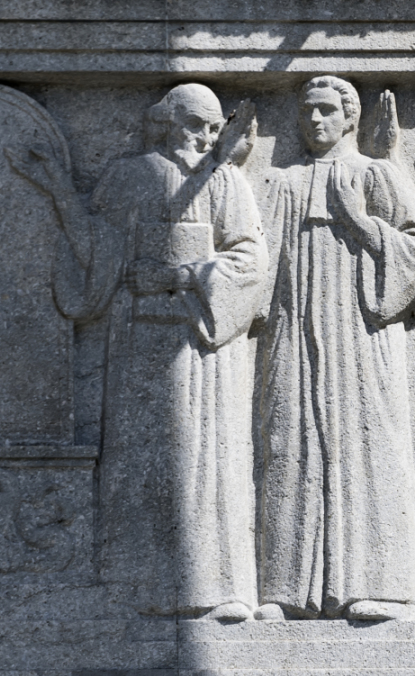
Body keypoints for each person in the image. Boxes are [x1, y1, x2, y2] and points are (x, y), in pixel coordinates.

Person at [8, 84, 268, 621]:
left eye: (213, 128)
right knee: (136, 456)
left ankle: (217, 588)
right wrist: (58, 188)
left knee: (208, 457)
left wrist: (183, 275)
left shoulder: (226, 181)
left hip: (202, 346)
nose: (204, 137)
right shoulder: (128, 175)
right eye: (194, 123)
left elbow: (250, 261)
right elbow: (96, 248)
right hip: (136, 342)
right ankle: (132, 588)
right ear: (165, 121)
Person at [257, 77, 415, 622]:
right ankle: (287, 588)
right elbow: (255, 256)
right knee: (289, 440)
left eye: (327, 110)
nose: (315, 120)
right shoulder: (282, 181)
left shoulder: (375, 174)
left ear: (351, 117)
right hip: (293, 330)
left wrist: (360, 224)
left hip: (361, 331)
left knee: (369, 442)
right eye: (307, 111)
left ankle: (380, 585)